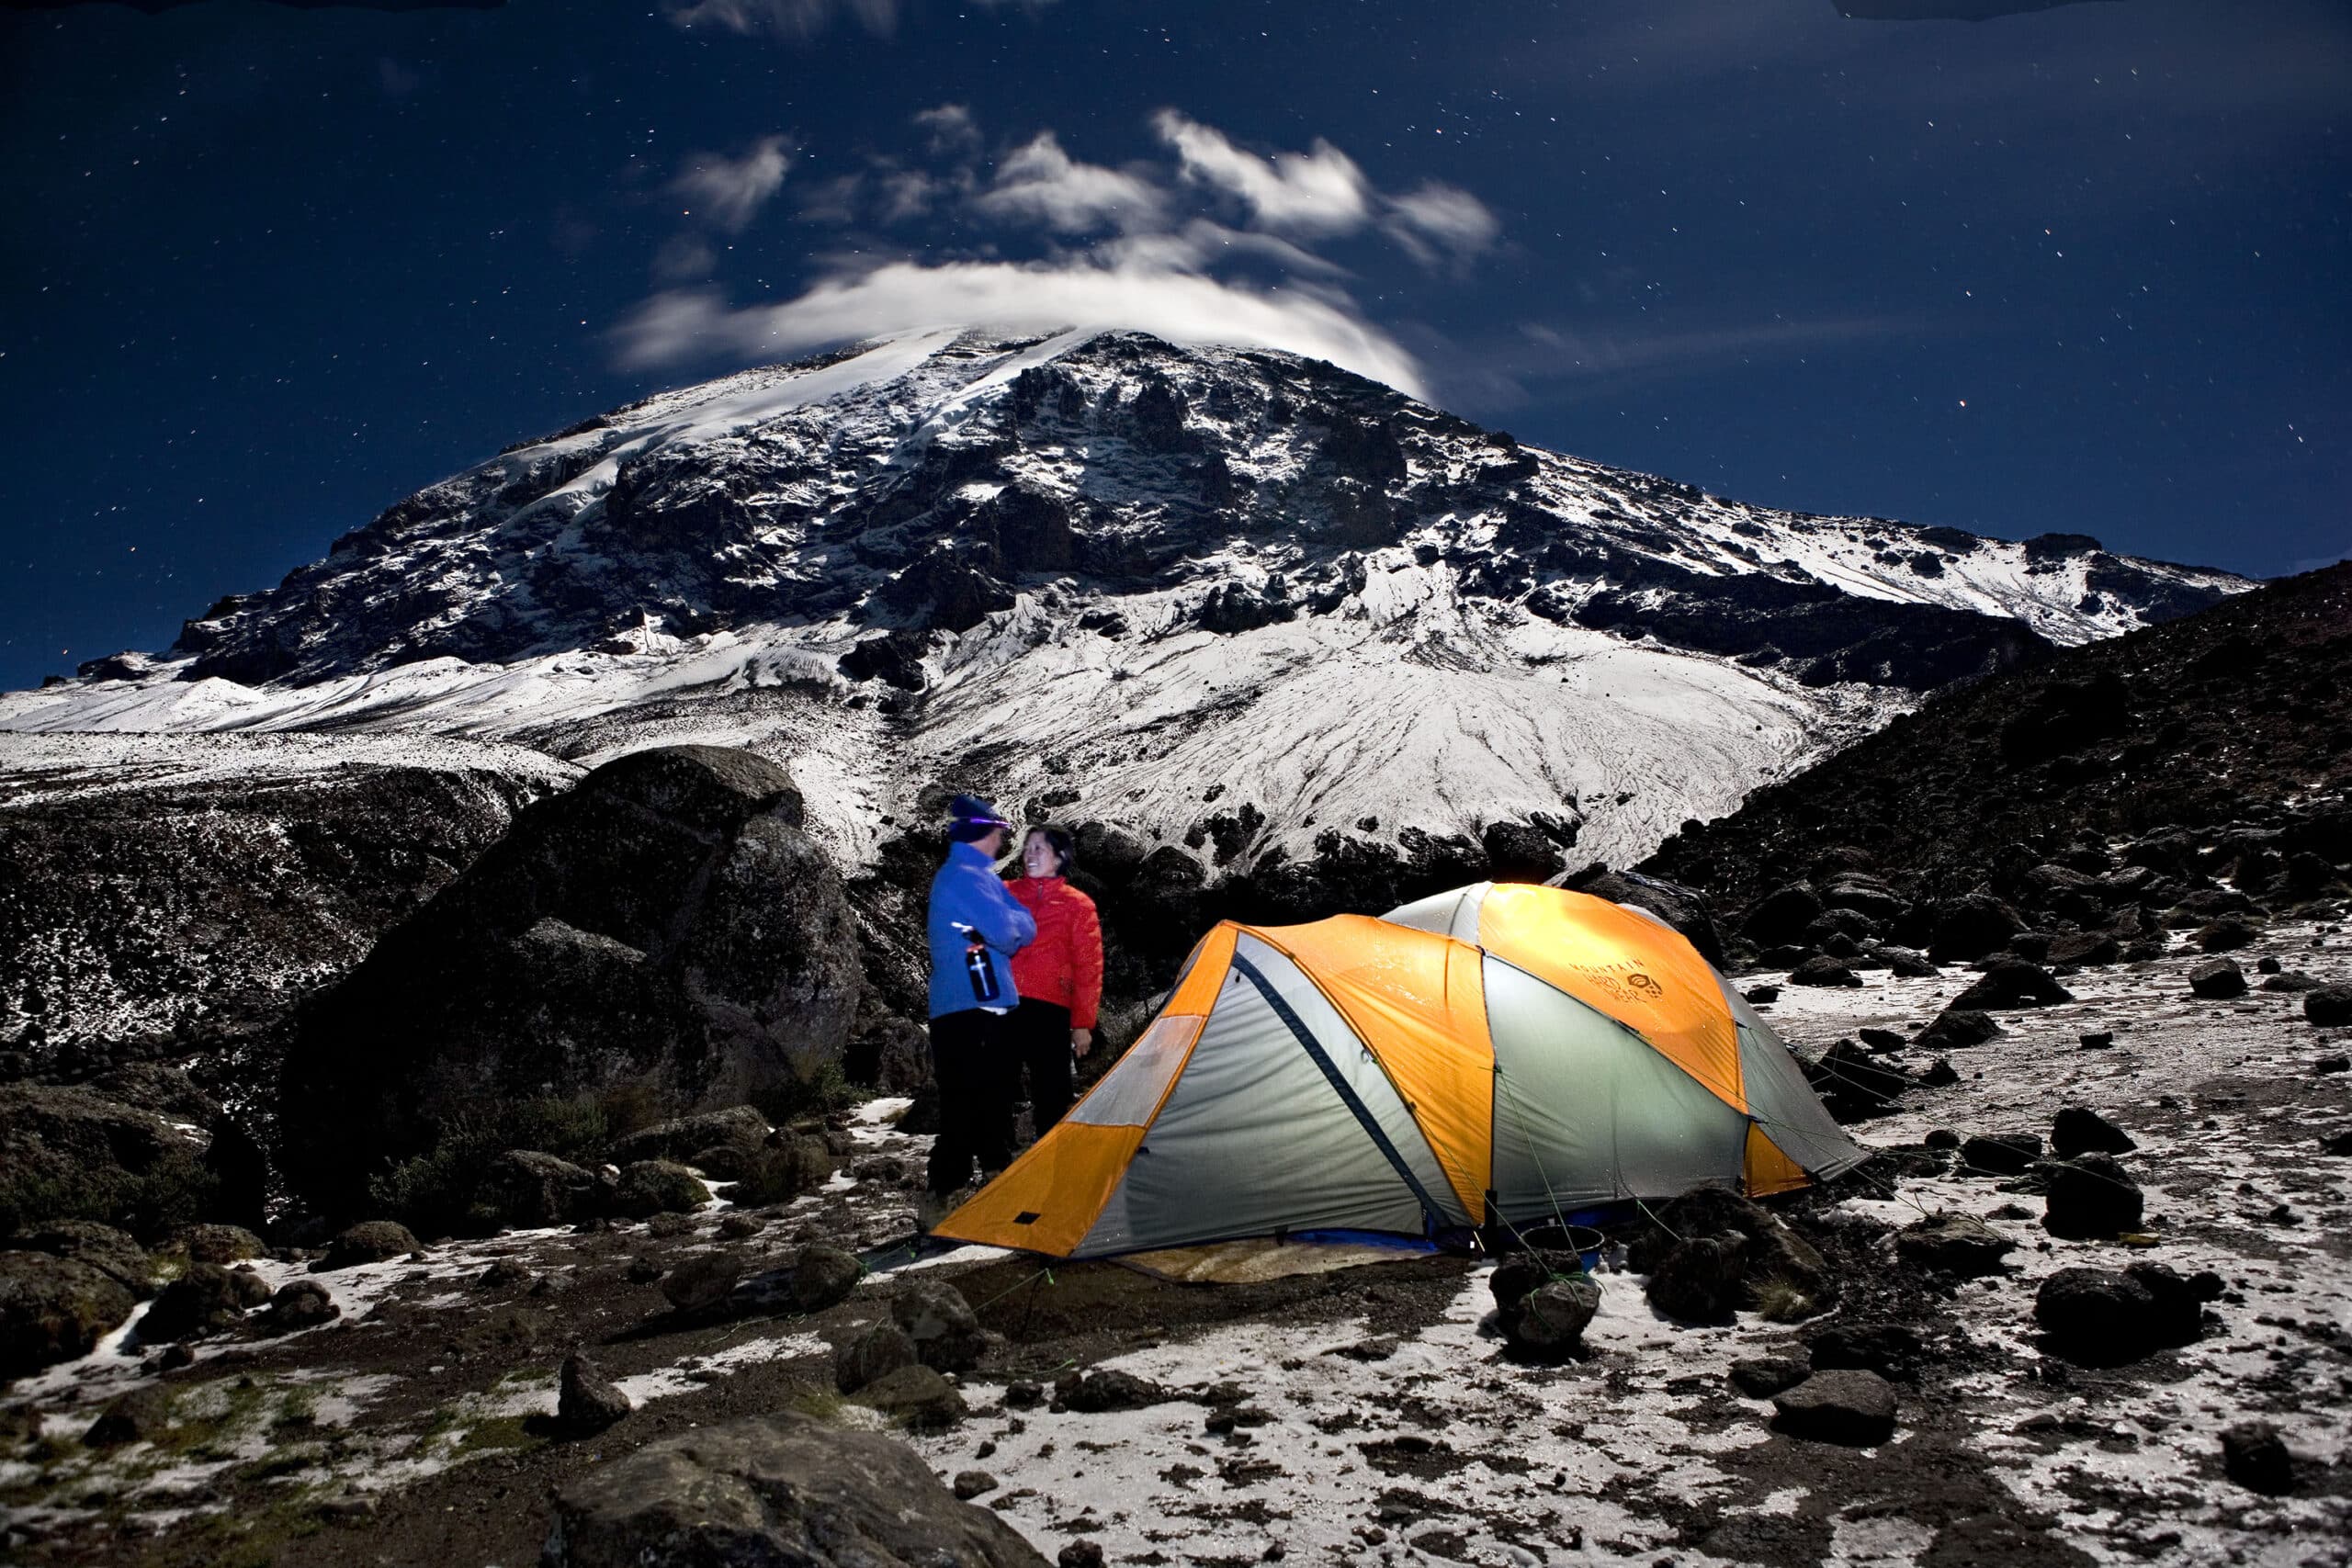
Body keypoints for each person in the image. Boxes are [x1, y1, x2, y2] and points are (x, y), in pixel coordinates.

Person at [922, 794, 1035, 1228]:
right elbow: (1012, 931)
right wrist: (1009, 925)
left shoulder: (971, 879)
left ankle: (977, 1189)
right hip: (974, 1005)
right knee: (973, 1099)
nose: (1002, 842)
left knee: (987, 1097)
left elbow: (1017, 925)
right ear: (983, 834)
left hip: (974, 1004)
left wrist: (1010, 924)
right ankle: (949, 1195)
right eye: (998, 833)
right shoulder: (967, 879)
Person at [1006, 825, 1104, 1137]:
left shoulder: (1078, 905)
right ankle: (995, 1172)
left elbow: (1088, 968)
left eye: (1041, 848)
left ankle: (1049, 1165)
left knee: (1052, 1094)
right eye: (1029, 846)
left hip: (1050, 1012)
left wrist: (1082, 1023)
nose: (1031, 853)